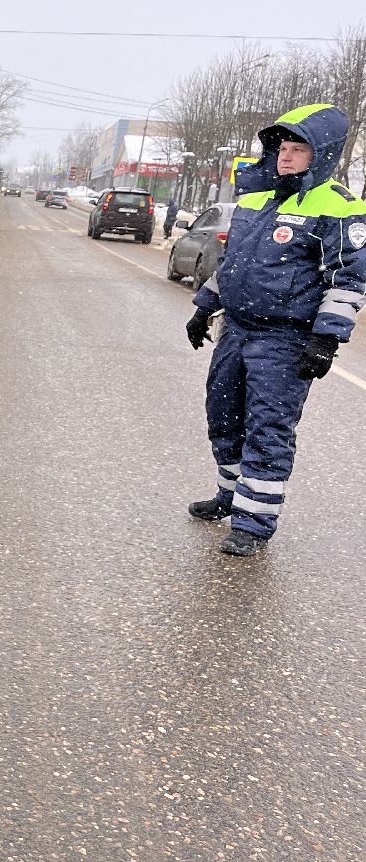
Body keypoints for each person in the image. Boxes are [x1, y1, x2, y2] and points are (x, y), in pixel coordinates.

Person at [185, 103, 365, 555]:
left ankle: (254, 523)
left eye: (297, 149)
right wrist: (204, 306)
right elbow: (233, 265)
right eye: (282, 148)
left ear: (319, 155)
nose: (285, 157)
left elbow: (350, 276)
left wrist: (326, 338)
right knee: (223, 417)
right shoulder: (257, 198)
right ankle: (230, 496)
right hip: (236, 331)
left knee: (267, 428)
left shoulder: (338, 206)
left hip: (284, 340)